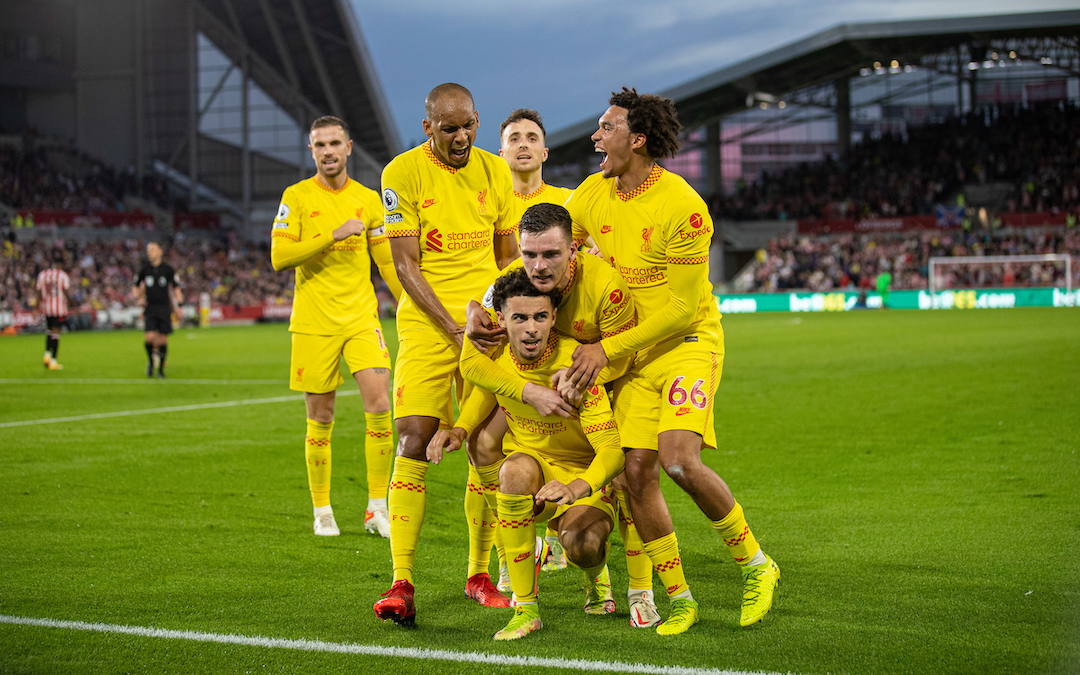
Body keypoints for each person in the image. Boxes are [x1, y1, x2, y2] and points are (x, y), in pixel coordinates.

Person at [563, 88, 780, 634]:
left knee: (678, 461)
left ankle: (757, 565)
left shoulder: (683, 206)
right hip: (635, 357)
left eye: (606, 127)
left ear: (637, 139)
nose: (595, 136)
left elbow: (683, 310)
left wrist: (606, 349)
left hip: (687, 346)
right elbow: (555, 243)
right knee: (636, 473)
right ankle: (680, 596)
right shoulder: (592, 193)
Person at [461, 203, 663, 627]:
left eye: (550, 255)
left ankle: (637, 587)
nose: (537, 265)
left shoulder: (605, 287)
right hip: (544, 417)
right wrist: (524, 393)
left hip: (605, 387)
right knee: (495, 458)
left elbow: (626, 354)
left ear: (574, 249)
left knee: (630, 473)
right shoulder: (509, 285)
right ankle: (520, 596)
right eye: (528, 254)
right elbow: (473, 363)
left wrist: (585, 374)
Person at [373, 83, 518, 625]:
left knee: (485, 443)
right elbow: (407, 267)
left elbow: (506, 260)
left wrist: (501, 320)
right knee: (411, 438)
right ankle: (401, 582)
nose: (460, 137)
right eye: (448, 128)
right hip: (431, 328)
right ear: (428, 124)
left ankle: (480, 574)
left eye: (468, 126)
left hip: (486, 329)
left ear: (478, 120)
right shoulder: (400, 173)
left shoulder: (495, 172)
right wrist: (455, 329)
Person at [429, 268, 625, 641]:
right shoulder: (497, 355)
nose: (531, 328)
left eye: (540, 316)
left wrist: (578, 487)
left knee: (583, 547)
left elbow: (613, 454)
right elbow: (487, 389)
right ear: (501, 320)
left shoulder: (577, 364)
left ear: (554, 316)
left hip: (582, 476)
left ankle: (595, 575)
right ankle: (526, 608)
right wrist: (460, 429)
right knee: (512, 472)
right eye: (520, 318)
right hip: (534, 466)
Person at [270, 115, 403, 539]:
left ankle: (376, 507)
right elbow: (278, 257)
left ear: (348, 147)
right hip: (313, 322)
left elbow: (384, 262)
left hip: (361, 317)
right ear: (312, 151)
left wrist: (406, 301)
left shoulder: (368, 199)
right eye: (319, 145)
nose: (327, 151)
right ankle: (322, 510)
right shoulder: (296, 196)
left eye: (334, 143)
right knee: (321, 415)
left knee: (380, 404)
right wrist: (332, 234)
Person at [499, 109, 575, 237]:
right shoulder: (491, 205)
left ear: (544, 153)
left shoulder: (570, 200)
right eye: (514, 139)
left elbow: (598, 245)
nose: (523, 144)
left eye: (532, 139)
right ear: (502, 155)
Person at [135, 242, 182, 378]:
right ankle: (150, 362)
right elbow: (136, 286)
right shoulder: (145, 269)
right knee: (149, 337)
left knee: (162, 340)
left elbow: (176, 288)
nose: (149, 253)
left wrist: (179, 306)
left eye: (152, 250)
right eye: (148, 250)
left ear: (160, 252)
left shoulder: (167, 270)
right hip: (150, 308)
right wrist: (139, 298)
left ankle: (161, 369)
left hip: (164, 307)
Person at [36, 248, 71, 370]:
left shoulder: (42, 275)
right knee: (56, 333)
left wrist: (36, 307)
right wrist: (74, 304)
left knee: (49, 331)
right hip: (58, 308)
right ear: (60, 264)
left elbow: (39, 293)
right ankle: (54, 361)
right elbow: (66, 291)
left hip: (47, 308)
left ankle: (47, 354)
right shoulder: (62, 275)